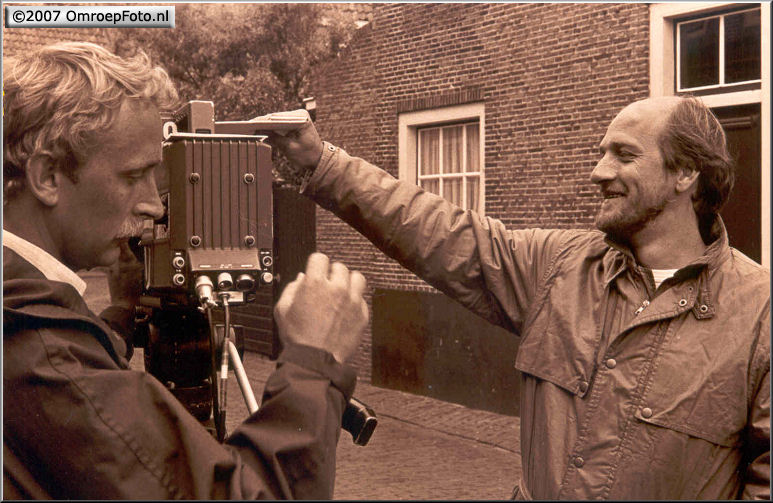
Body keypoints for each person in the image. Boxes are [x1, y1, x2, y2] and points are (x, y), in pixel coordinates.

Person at [267, 95, 770, 500]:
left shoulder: (759, 314)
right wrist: (322, 163)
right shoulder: (561, 266)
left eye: (624, 154)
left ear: (685, 175)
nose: (598, 171)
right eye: (602, 152)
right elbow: (436, 229)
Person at [3, 42, 369, 499]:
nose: (154, 206)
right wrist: (315, 364)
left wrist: (120, 313)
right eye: (133, 176)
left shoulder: (25, 319)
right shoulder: (49, 361)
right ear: (47, 177)